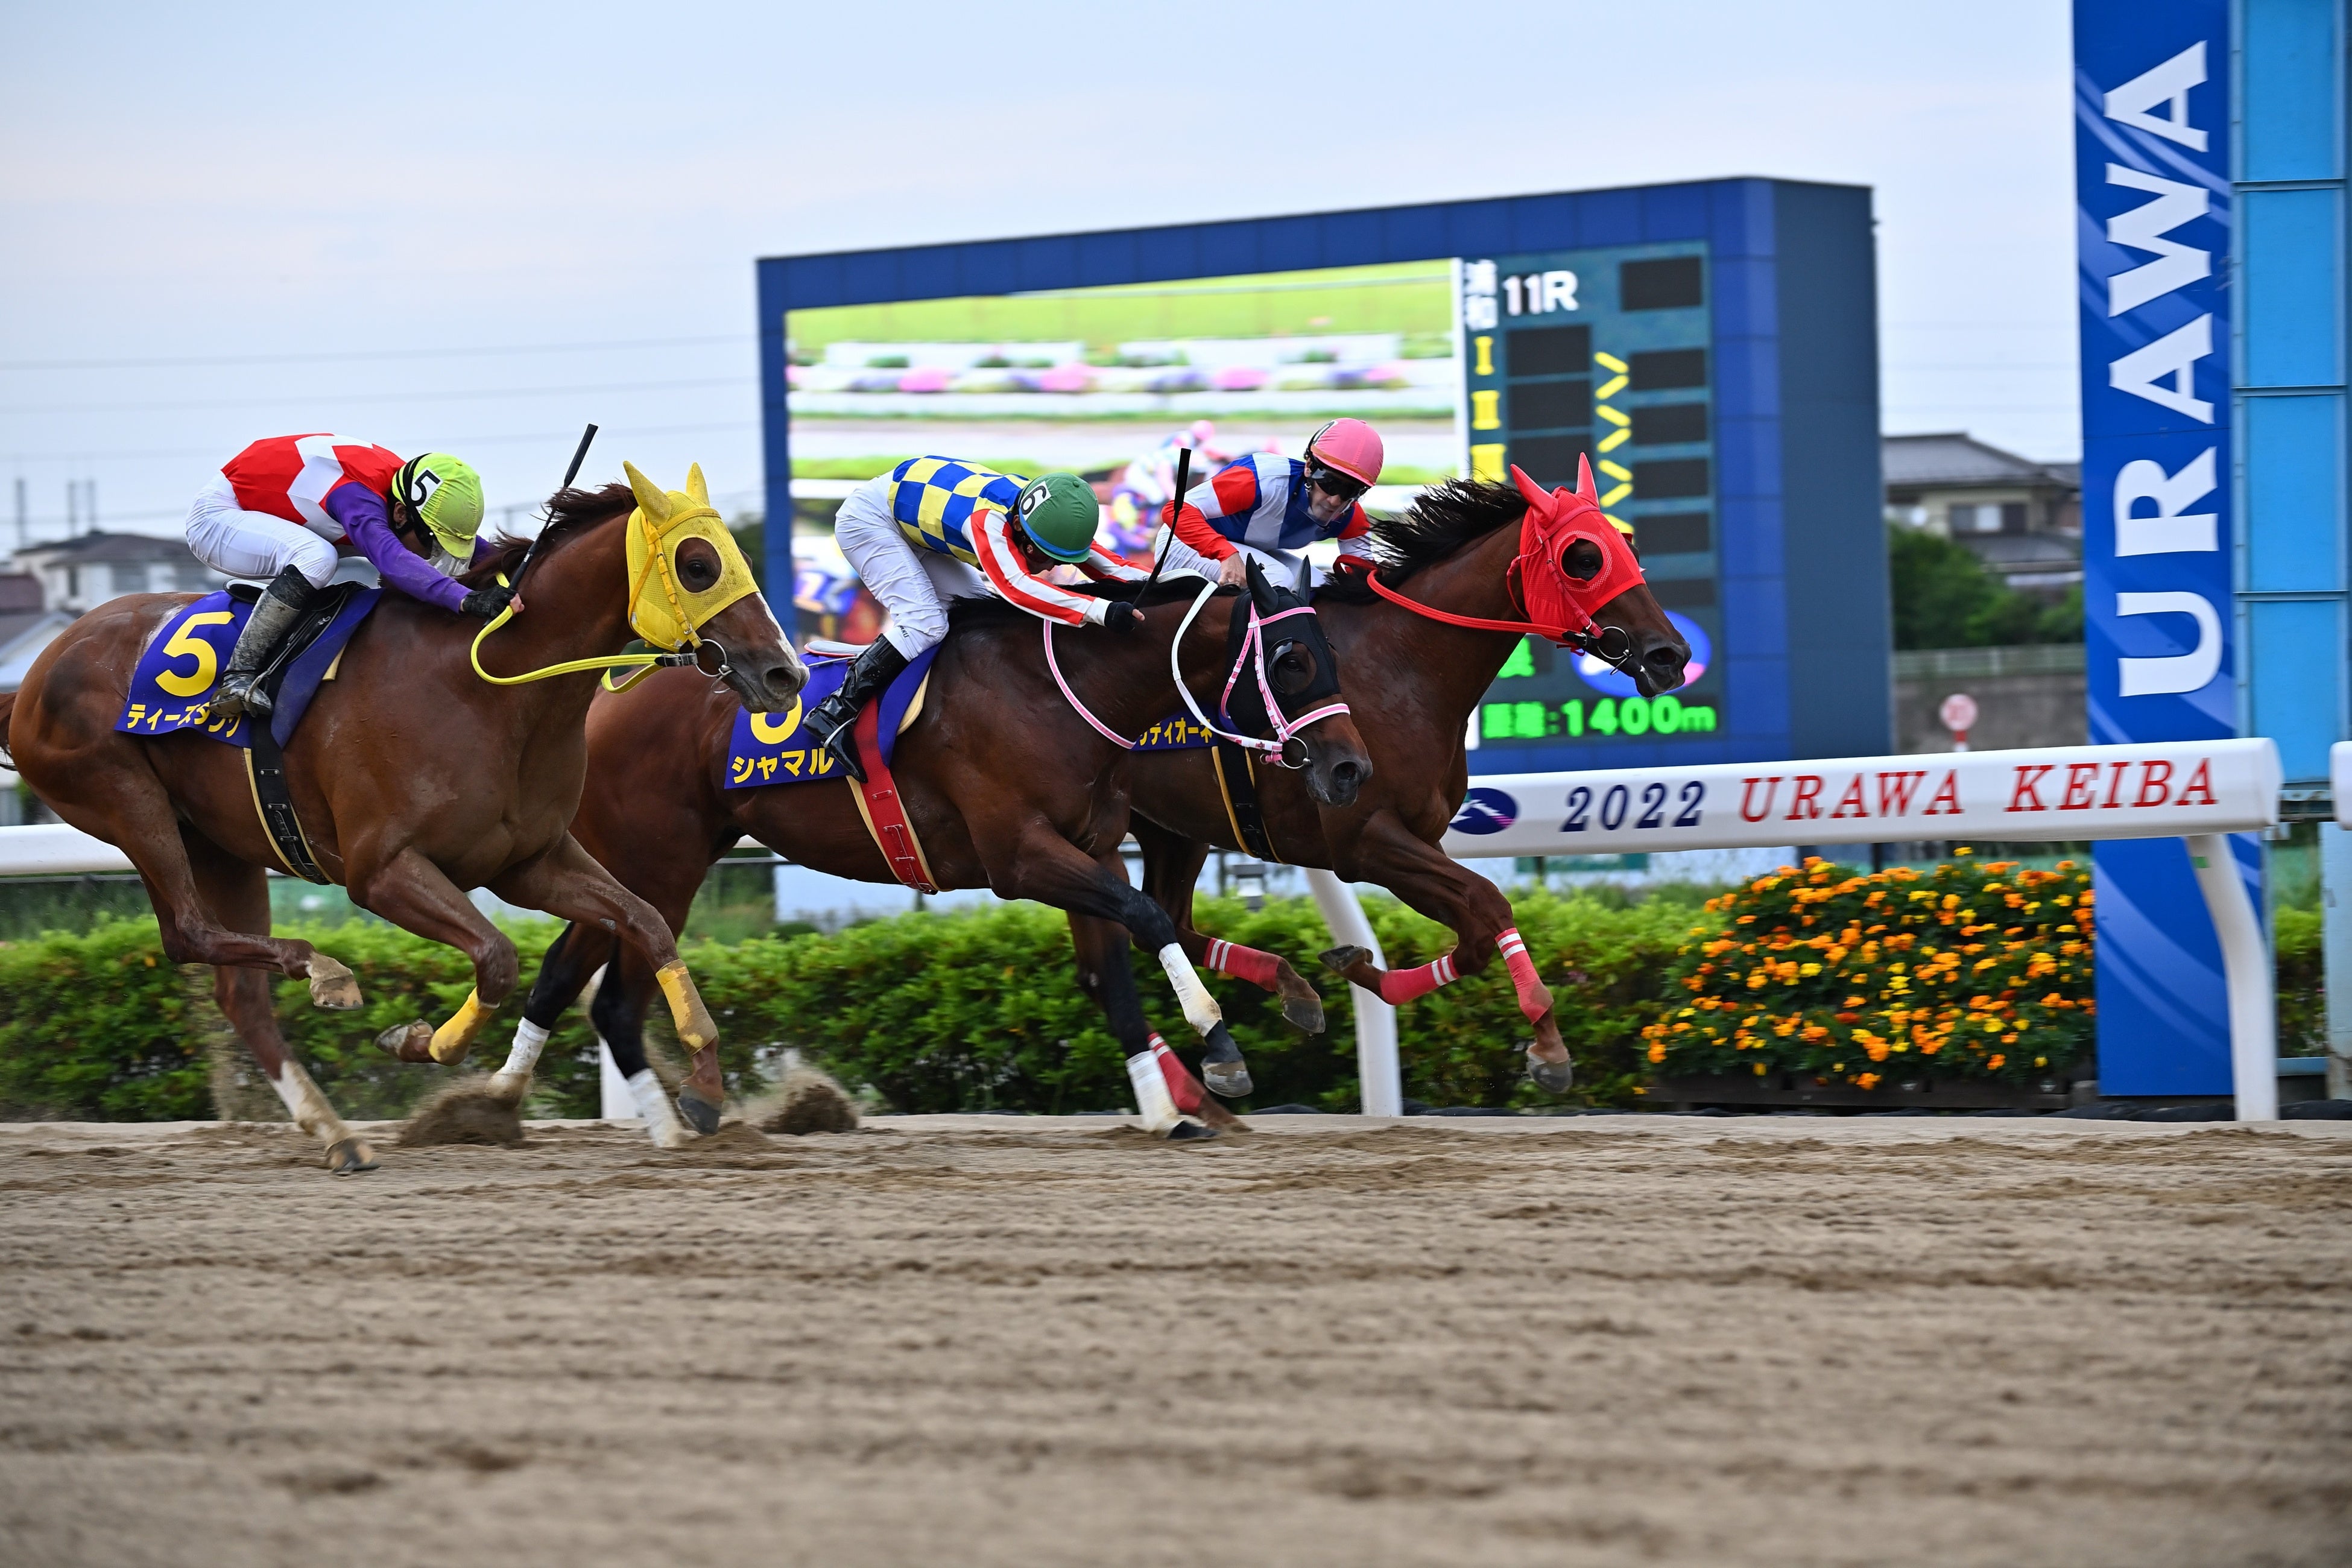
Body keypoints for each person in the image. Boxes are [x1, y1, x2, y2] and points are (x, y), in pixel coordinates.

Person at [806, 456, 1146, 780]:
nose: (1052, 567)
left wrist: (1182, 582)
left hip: (913, 523)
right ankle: (834, 712)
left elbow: (1114, 568)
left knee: (977, 619)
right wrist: (1101, 612)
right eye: (1045, 555)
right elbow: (1018, 590)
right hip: (871, 520)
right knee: (926, 625)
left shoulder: (1045, 517)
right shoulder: (989, 522)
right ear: (1019, 528)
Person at [185, 434, 513, 720]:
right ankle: (239, 675)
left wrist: (521, 563)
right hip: (220, 518)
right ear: (400, 513)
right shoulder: (358, 498)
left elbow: (472, 553)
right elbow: (392, 561)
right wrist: (466, 599)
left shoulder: (409, 499)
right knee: (317, 559)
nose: (432, 554)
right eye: (432, 543)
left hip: (276, 512)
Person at [1156, 417, 1385, 590]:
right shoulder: (1259, 481)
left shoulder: (1351, 517)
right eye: (1329, 483)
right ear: (1309, 468)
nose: (1335, 500)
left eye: (1350, 491)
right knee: (1279, 580)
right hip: (1183, 542)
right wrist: (1225, 553)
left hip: (1247, 550)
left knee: (1320, 586)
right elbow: (1176, 510)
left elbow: (1364, 578)